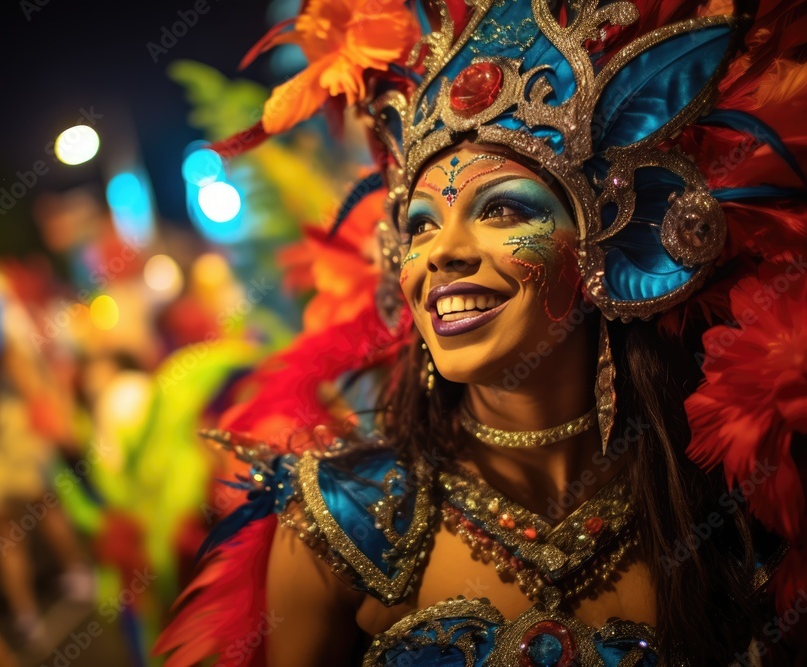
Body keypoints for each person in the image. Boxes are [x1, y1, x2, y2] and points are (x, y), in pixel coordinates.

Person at [155, 0, 807, 664]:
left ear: (610, 240)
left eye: (499, 208)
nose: (440, 253)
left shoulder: (731, 508)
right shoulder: (342, 525)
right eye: (421, 224)